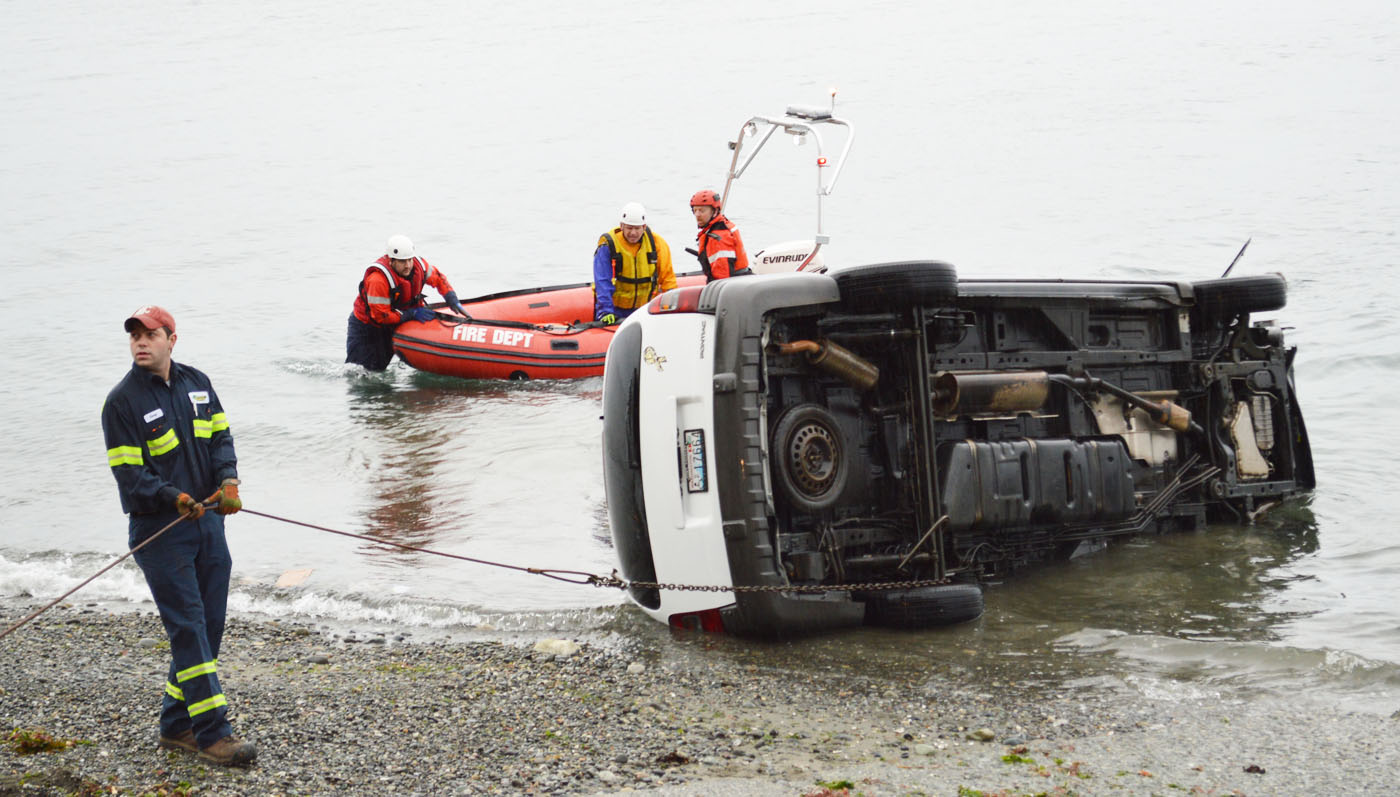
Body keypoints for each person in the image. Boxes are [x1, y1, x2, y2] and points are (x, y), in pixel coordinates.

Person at [100, 306, 256, 766]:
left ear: (172, 339)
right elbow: (129, 475)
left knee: (208, 628)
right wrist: (173, 498)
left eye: (150, 335)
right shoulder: (121, 402)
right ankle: (212, 734)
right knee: (188, 627)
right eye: (134, 336)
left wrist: (228, 481)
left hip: (209, 520)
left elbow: (222, 438)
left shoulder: (197, 383)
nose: (140, 342)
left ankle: (175, 723)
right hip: (160, 530)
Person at [346, 234, 468, 370]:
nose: (408, 265)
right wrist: (410, 314)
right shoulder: (378, 280)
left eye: (409, 260)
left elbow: (439, 279)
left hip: (394, 323)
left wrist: (451, 297)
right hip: (367, 327)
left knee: (380, 369)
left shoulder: (420, 266)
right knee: (362, 372)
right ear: (391, 261)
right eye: (402, 262)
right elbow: (380, 316)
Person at [592, 202, 677, 324]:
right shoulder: (608, 246)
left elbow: (668, 279)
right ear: (621, 226)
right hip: (616, 311)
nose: (633, 233)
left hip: (645, 309)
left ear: (644, 227)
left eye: (637, 228)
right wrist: (606, 311)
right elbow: (602, 282)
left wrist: (671, 308)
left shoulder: (657, 244)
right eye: (629, 228)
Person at [689, 189, 752, 282]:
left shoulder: (718, 238)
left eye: (702, 211)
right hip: (742, 279)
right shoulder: (721, 225)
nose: (697, 215)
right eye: (695, 210)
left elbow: (722, 275)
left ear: (715, 211)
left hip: (734, 285)